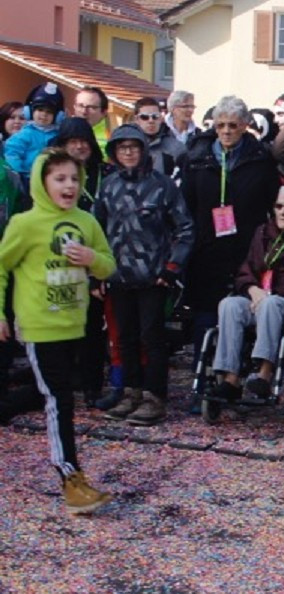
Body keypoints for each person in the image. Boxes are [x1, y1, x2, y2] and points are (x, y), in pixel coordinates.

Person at [0, 148, 117, 514]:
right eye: (59, 178)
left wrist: (92, 260)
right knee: (58, 402)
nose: (68, 185)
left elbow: (108, 265)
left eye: (74, 179)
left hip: (74, 326)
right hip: (40, 327)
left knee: (58, 397)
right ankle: (70, 479)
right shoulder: (25, 224)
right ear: (41, 183)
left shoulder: (86, 220)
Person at [95, 125, 193, 426]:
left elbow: (186, 228)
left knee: (153, 337)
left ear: (143, 150)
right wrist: (95, 273)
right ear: (114, 152)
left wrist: (172, 268)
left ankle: (154, 396)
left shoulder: (163, 186)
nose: (128, 152)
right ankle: (130, 390)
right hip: (117, 277)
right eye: (122, 147)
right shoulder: (108, 186)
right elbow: (96, 232)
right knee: (125, 338)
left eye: (134, 147)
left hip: (154, 277)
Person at [179, 96, 280, 383]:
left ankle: (236, 375)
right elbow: (185, 206)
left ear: (245, 126)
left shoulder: (260, 159)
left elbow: (271, 204)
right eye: (220, 125)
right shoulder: (197, 160)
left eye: (233, 126)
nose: (225, 131)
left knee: (240, 312)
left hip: (246, 247)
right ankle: (205, 378)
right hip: (206, 248)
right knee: (206, 315)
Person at [48, 118, 117, 409]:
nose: (78, 146)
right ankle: (58, 385)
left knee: (92, 330)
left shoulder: (107, 174)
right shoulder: (51, 178)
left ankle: (92, 387)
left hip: (97, 260)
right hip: (60, 263)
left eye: (83, 141)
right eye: (71, 142)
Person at [210, 184, 284, 401]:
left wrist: (267, 296)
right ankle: (230, 378)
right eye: (279, 206)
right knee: (229, 305)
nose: (283, 212)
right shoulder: (262, 232)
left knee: (272, 304)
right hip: (258, 298)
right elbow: (245, 269)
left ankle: (264, 373)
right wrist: (252, 288)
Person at [5, 83, 65, 182]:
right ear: (30, 112)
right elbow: (12, 154)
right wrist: (21, 174)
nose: (44, 114)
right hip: (26, 178)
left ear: (58, 116)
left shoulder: (58, 135)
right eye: (40, 110)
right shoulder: (25, 134)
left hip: (50, 180)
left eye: (49, 112)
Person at [132, 96, 184, 176]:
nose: (151, 121)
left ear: (161, 118)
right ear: (136, 119)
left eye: (155, 116)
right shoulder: (126, 145)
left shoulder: (176, 147)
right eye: (144, 117)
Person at [71, 87, 110, 155]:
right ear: (74, 107)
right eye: (80, 105)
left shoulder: (111, 140)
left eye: (91, 107)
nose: (84, 111)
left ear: (104, 112)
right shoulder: (62, 133)